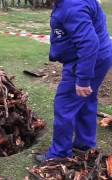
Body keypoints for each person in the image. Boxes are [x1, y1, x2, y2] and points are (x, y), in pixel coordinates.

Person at [35, 0, 112, 162]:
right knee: (86, 100)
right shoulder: (68, 3)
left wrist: (83, 79)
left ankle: (60, 153)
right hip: (99, 56)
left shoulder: (71, 7)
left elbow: (89, 43)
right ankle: (84, 145)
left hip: (85, 60)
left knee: (65, 105)